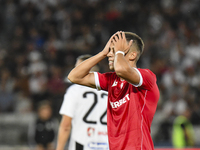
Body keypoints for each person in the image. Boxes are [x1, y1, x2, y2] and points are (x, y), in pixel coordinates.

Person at [67, 31, 160, 150]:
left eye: (114, 51)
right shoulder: (111, 80)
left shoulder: (147, 77)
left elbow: (122, 70)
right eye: (110, 51)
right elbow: (74, 76)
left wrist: (119, 52)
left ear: (132, 55)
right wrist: (102, 53)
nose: (110, 55)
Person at [56, 54, 109, 150]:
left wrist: (59, 148)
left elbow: (66, 125)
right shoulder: (110, 90)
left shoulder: (74, 90)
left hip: (82, 144)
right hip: (106, 145)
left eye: (76, 68)